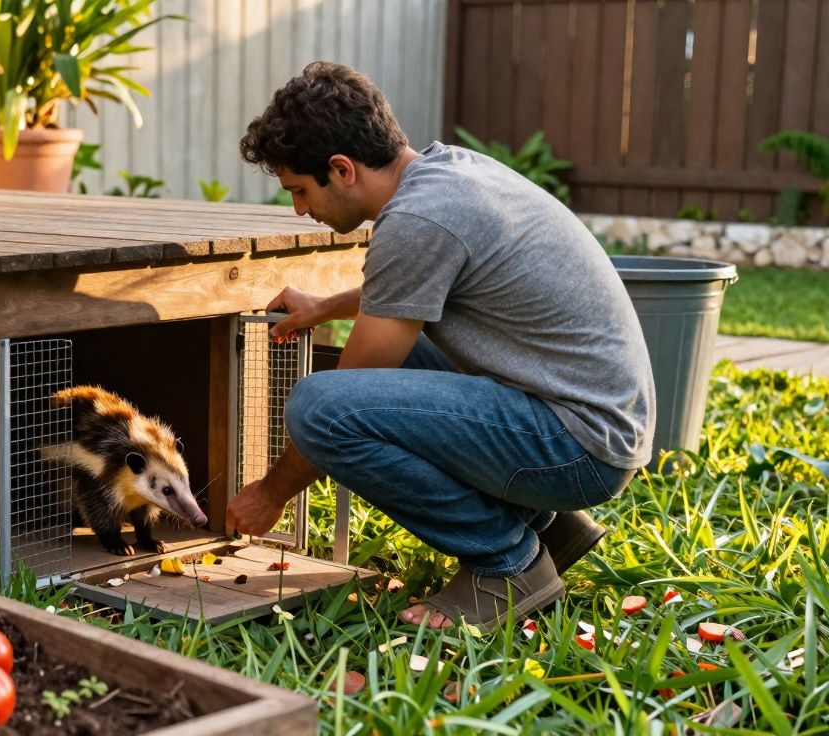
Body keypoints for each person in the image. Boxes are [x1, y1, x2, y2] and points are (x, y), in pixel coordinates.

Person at [225, 61, 655, 632]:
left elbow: (343, 401)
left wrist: (270, 493)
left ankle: (507, 561)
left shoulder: (419, 221)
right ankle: (549, 526)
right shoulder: (445, 174)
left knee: (320, 408)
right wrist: (326, 306)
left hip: (581, 447)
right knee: (396, 359)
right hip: (592, 420)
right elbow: (414, 283)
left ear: (341, 169)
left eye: (300, 191)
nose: (300, 209)